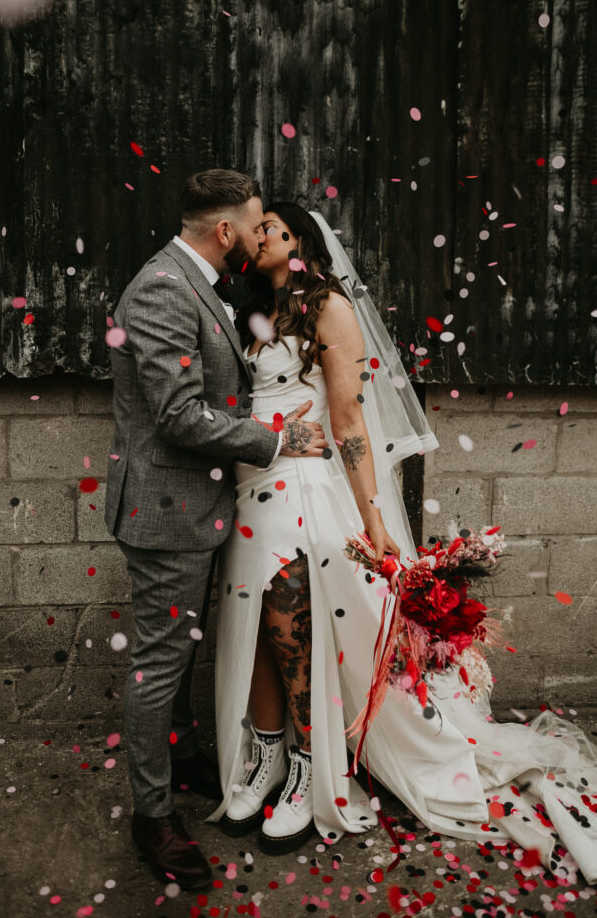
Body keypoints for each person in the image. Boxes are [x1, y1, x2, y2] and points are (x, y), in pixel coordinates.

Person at [205, 203, 597, 885]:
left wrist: (374, 520)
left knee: (287, 621)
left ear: (302, 244)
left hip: (300, 487)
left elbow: (350, 417)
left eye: (275, 226)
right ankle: (263, 754)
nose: (260, 232)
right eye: (257, 225)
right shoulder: (247, 310)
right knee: (257, 623)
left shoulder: (326, 307)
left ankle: (306, 769)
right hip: (250, 484)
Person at [103, 171, 331, 891]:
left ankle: (183, 752)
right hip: (167, 513)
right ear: (225, 232)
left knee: (179, 648)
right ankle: (152, 815)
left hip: (197, 508)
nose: (262, 235)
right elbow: (177, 414)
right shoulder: (163, 288)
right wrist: (276, 442)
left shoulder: (197, 279)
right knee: (160, 661)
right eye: (255, 223)